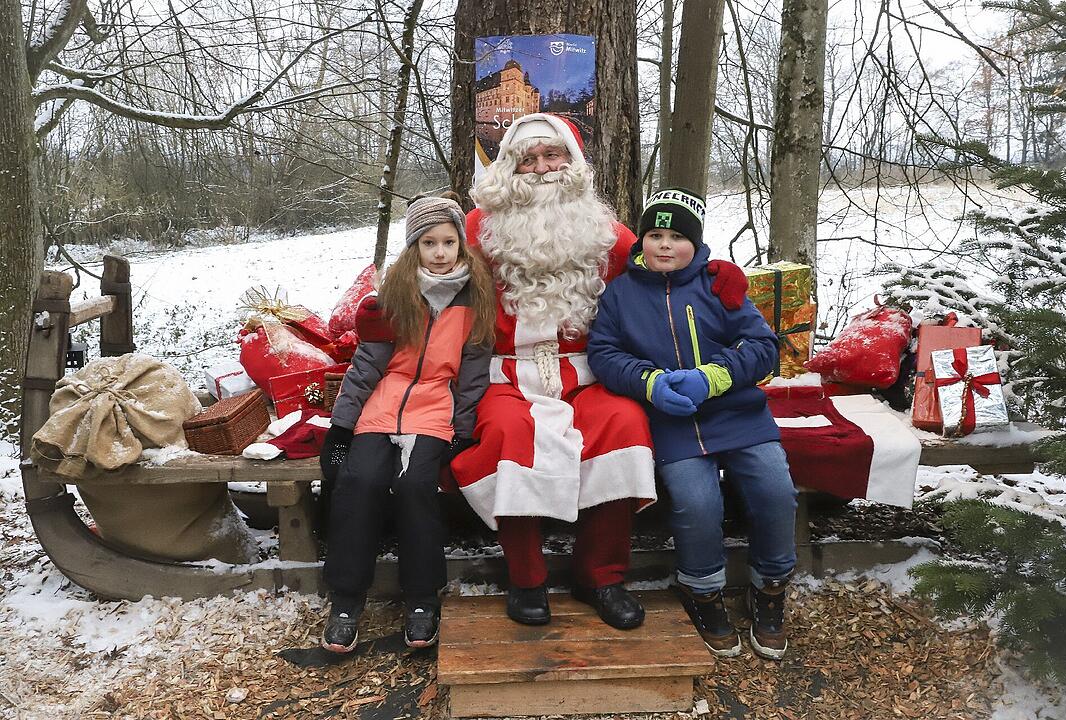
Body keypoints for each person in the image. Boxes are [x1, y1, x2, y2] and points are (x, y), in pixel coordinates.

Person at [449, 113, 658, 629]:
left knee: (624, 425)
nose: (541, 168)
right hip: (506, 376)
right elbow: (432, 282)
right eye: (528, 159)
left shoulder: (606, 232)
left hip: (587, 374)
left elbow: (662, 280)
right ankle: (526, 578)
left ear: (572, 163)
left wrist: (716, 280)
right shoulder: (478, 229)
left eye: (552, 156)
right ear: (509, 169)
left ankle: (601, 576)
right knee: (508, 432)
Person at [587, 187, 798, 660]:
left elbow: (763, 347)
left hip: (738, 414)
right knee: (696, 501)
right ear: (640, 240)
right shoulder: (620, 293)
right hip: (672, 424)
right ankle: (701, 590)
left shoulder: (719, 283)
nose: (665, 245)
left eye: (678, 236)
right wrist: (650, 382)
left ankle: (770, 586)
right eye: (655, 234)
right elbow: (604, 353)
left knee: (774, 488)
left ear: (696, 243)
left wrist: (713, 377)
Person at [318, 195, 495, 653]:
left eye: (449, 242)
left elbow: (473, 378)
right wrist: (340, 429)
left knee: (417, 486)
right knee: (359, 481)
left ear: (461, 245)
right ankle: (345, 598)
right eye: (428, 242)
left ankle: (420, 599)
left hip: (435, 407)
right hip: (383, 403)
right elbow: (365, 367)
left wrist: (461, 431)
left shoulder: (475, 299)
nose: (440, 252)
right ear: (414, 246)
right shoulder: (391, 298)